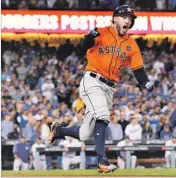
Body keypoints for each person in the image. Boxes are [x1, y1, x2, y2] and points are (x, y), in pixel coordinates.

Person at [46, 5, 154, 173]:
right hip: (92, 81)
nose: (128, 20)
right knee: (103, 115)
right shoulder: (102, 32)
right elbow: (84, 45)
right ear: (116, 18)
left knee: (84, 134)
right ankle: (102, 161)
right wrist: (90, 36)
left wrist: (146, 82)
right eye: (125, 16)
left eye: (130, 18)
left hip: (109, 88)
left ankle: (59, 130)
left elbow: (138, 69)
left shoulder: (131, 44)